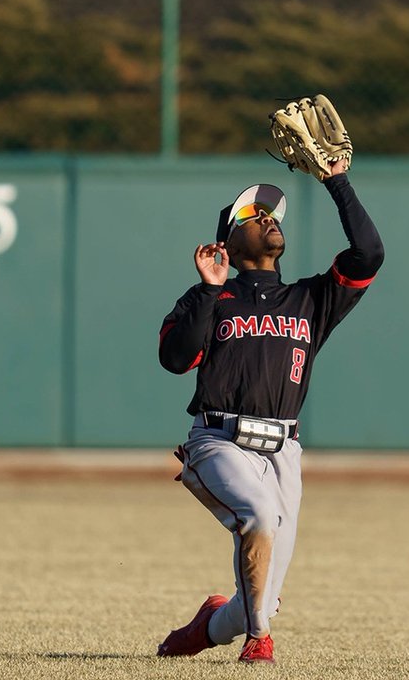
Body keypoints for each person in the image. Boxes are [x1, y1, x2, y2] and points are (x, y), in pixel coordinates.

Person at [155, 157, 384, 664]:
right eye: (252, 216)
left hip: (284, 450)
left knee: (261, 599)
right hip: (217, 441)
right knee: (257, 519)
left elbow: (369, 253)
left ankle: (207, 627)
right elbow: (175, 359)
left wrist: (335, 181)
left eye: (271, 213)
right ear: (228, 245)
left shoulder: (309, 298)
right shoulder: (210, 298)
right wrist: (209, 288)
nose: (267, 218)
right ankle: (259, 647)